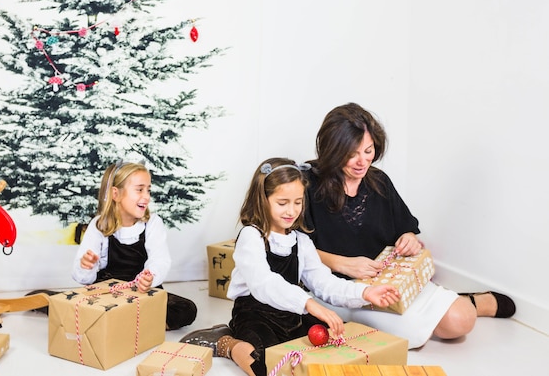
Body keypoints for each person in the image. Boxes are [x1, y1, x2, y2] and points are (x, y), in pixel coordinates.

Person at [303, 102, 516, 349]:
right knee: (435, 330)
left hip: (388, 280)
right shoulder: (307, 185)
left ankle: (470, 303)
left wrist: (408, 237)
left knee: (461, 320)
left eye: (369, 151)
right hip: (338, 289)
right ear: (332, 150)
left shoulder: (378, 181)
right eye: (352, 154)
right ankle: (460, 302)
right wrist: (342, 263)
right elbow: (292, 249)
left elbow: (405, 228)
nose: (363, 162)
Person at [179, 157, 401, 376]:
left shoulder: (301, 241)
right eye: (282, 203)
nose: (291, 211)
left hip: (291, 312)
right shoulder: (251, 236)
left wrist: (365, 292)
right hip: (254, 314)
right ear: (263, 199)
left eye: (298, 202)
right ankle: (226, 343)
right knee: (264, 366)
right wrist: (308, 302)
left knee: (336, 344)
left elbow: (324, 282)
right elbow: (263, 283)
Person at [71, 161, 197, 330]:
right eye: (139, 189)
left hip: (140, 292)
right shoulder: (99, 225)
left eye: (148, 190)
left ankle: (119, 323)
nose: (146, 196)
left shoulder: (152, 223)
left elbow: (160, 259)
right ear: (116, 194)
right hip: (109, 293)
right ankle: (132, 322)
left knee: (186, 309)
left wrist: (150, 277)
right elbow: (84, 278)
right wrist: (86, 266)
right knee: (91, 306)